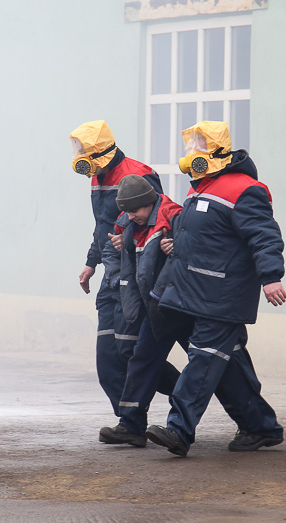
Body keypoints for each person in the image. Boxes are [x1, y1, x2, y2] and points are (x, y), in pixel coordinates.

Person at [145, 120, 286, 457]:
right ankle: (261, 427)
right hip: (197, 293)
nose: (191, 154)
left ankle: (178, 431)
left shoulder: (245, 188)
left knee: (203, 361)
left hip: (223, 296)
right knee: (228, 363)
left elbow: (265, 237)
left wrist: (271, 277)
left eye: (198, 147)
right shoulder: (200, 187)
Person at [69, 120, 180, 420]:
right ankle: (128, 422)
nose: (77, 156)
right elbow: (103, 227)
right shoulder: (96, 177)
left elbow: (157, 219)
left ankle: (184, 391)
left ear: (97, 151)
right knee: (107, 360)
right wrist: (91, 263)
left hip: (137, 275)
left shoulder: (138, 174)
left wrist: (130, 239)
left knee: (131, 353)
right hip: (111, 272)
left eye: (82, 150)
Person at [97, 175, 195, 447]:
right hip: (156, 306)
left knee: (212, 367)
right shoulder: (128, 222)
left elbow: (198, 247)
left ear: (149, 203)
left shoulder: (173, 216)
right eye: (126, 211)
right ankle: (131, 425)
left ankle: (257, 424)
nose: (130, 216)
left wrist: (176, 247)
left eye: (135, 210)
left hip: (181, 305)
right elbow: (112, 248)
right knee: (141, 360)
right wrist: (118, 267)